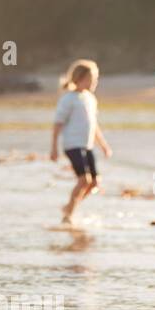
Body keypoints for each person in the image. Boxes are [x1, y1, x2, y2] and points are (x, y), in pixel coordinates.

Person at [50, 59, 111, 227]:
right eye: (92, 79)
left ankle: (69, 207)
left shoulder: (90, 99)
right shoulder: (68, 99)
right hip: (73, 145)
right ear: (80, 78)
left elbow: (94, 125)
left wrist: (104, 145)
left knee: (94, 183)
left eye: (96, 79)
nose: (95, 82)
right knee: (84, 180)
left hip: (87, 145)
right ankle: (68, 214)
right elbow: (57, 124)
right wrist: (54, 147)